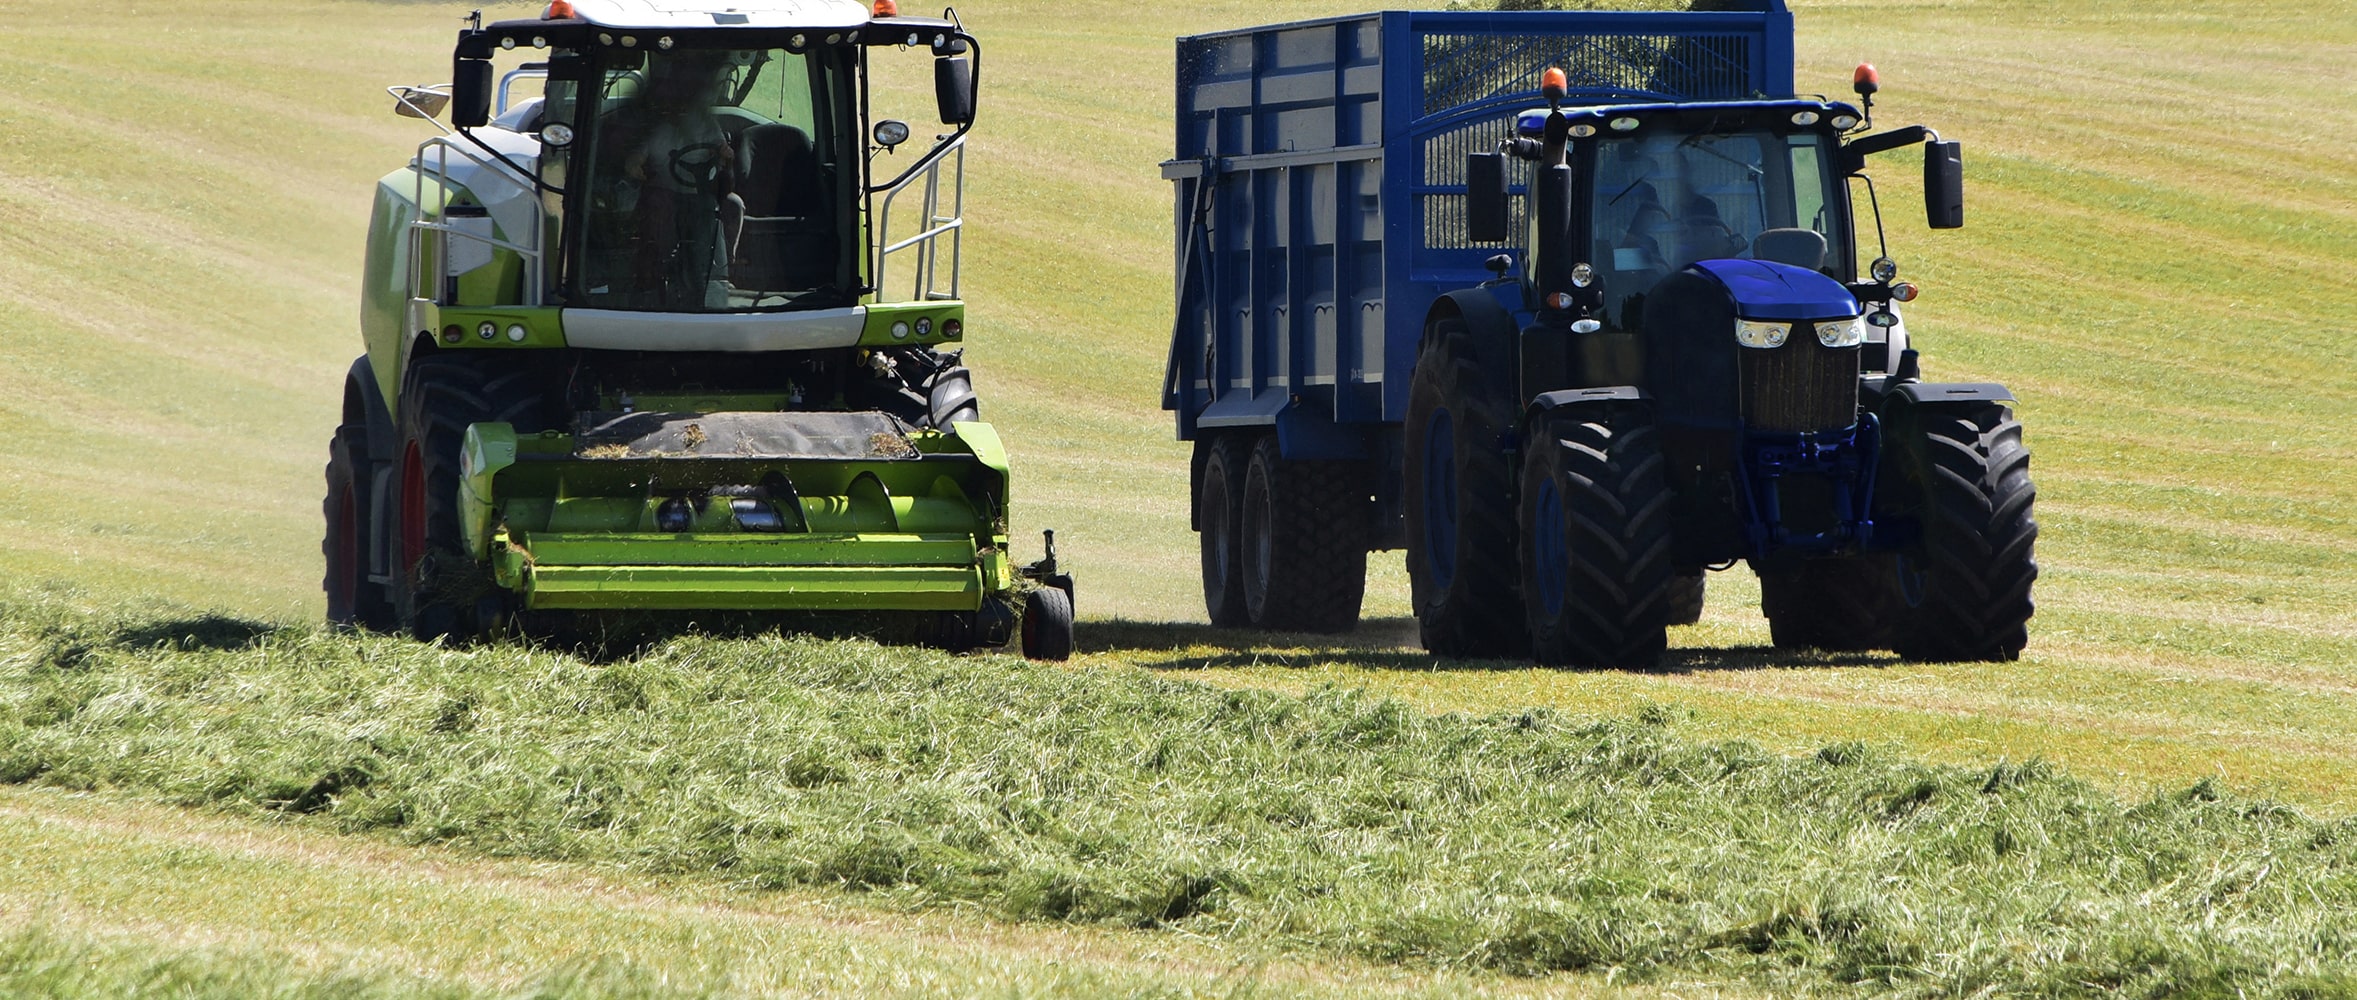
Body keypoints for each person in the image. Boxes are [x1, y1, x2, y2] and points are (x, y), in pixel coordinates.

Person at [598, 51, 744, 308]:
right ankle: (654, 274)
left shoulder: (705, 122)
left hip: (700, 193)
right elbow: (635, 161)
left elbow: (722, 147)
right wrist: (636, 167)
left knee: (732, 205)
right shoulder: (657, 128)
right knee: (659, 207)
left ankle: (718, 271)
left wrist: (725, 153)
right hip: (664, 192)